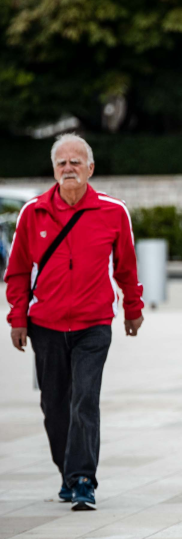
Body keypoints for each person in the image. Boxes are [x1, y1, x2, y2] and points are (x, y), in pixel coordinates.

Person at [5, 133, 144, 511]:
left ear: (90, 169)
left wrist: (133, 308)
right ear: (54, 170)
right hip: (45, 324)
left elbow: (127, 268)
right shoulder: (32, 213)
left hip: (93, 323)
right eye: (62, 163)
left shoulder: (113, 212)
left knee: (84, 400)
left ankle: (83, 478)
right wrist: (17, 318)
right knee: (54, 405)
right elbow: (17, 272)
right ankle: (67, 470)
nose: (69, 169)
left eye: (76, 162)